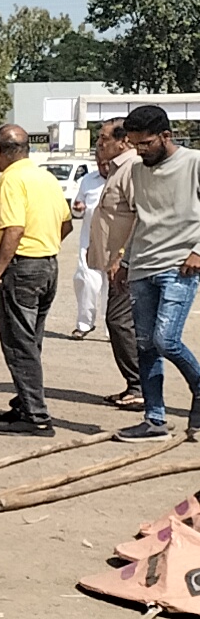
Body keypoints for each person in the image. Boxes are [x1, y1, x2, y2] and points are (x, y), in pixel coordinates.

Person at [107, 105, 200, 441]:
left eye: (145, 144)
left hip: (179, 266)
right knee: (144, 345)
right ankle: (154, 419)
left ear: (165, 136)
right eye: (134, 144)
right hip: (142, 266)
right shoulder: (138, 171)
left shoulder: (193, 162)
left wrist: (198, 251)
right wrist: (125, 260)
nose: (140, 151)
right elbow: (142, 220)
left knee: (166, 340)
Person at [0, 124, 73, 435]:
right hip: (47, 265)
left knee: (19, 343)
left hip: (21, 269)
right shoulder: (45, 177)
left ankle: (36, 415)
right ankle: (24, 402)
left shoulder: (11, 179)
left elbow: (14, 229)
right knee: (31, 341)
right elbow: (66, 224)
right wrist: (44, 245)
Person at [87, 119, 142, 407]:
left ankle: (139, 387)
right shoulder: (117, 169)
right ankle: (136, 386)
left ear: (123, 141)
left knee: (119, 321)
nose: (99, 143)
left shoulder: (132, 168)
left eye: (104, 138)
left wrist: (122, 255)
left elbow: (138, 217)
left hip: (128, 264)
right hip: (117, 263)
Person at [70, 158, 107, 339]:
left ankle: (112, 330)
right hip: (89, 240)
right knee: (86, 282)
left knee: (113, 286)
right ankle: (84, 324)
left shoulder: (124, 178)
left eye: (107, 163)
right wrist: (78, 208)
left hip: (115, 242)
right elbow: (78, 208)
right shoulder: (88, 180)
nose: (103, 167)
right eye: (100, 163)